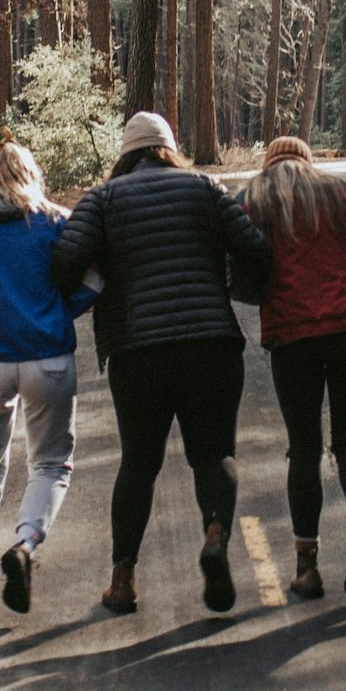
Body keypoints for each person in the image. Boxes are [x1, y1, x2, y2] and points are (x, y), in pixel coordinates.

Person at [52, 110, 271, 617]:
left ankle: (123, 578)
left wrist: (103, 269)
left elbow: (64, 264)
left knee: (139, 463)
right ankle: (215, 533)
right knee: (214, 455)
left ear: (126, 153)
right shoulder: (205, 188)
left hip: (138, 350)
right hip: (211, 343)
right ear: (170, 148)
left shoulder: (104, 199)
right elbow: (256, 251)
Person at [0, 140, 95, 622]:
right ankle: (25, 544)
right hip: (48, 356)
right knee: (51, 464)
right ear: (33, 174)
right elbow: (93, 282)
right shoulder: (57, 221)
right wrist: (59, 314)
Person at [242, 135, 346, 601]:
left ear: (269, 162)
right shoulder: (341, 191)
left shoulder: (253, 198)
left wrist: (262, 294)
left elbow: (242, 263)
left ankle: (307, 568)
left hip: (293, 333)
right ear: (306, 161)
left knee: (303, 449)